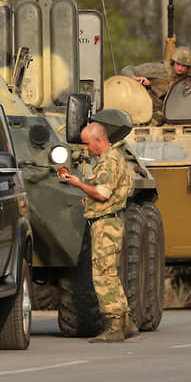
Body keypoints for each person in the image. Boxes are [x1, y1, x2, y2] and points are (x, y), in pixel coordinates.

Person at [63, 122, 139, 342]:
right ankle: (125, 322)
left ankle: (115, 326)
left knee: (103, 276)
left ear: (99, 140)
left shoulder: (108, 162)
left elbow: (103, 193)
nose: (86, 149)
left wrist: (79, 185)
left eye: (88, 144)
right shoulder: (115, 158)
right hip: (109, 221)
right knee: (110, 274)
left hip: (106, 226)